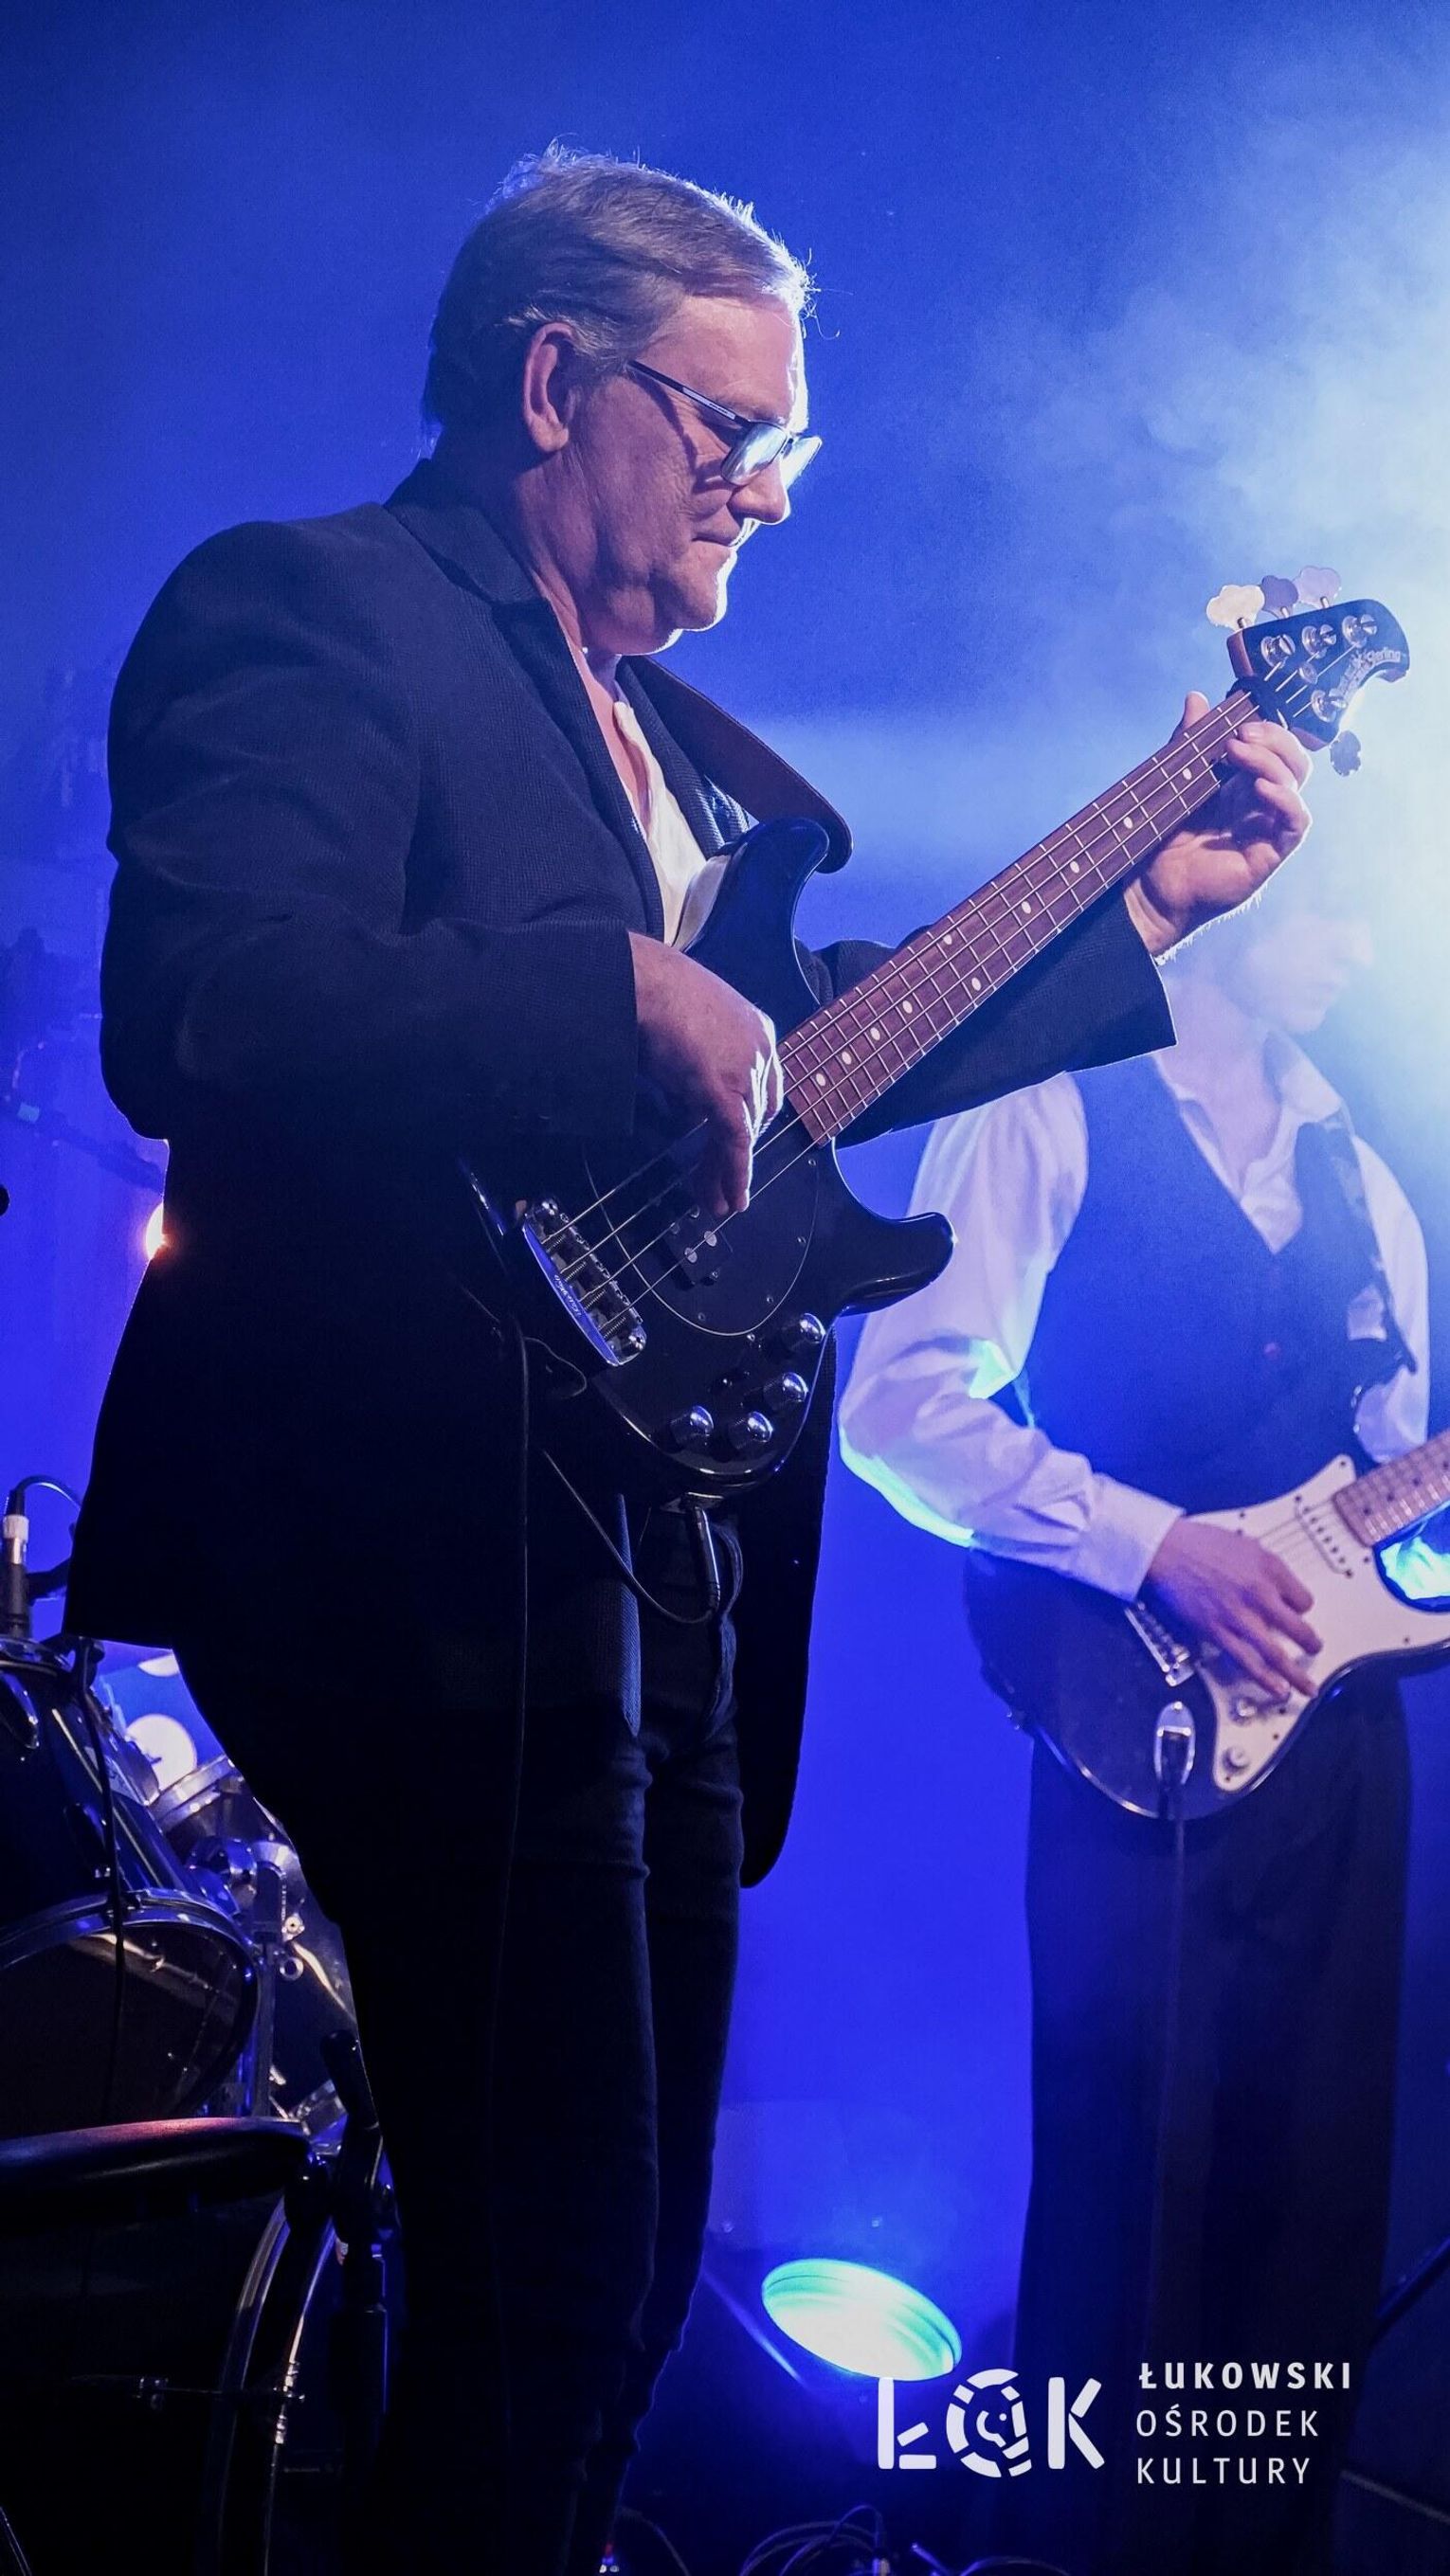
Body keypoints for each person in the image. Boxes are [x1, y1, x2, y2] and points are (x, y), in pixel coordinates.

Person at [67, 147, 1312, 2575]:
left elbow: (783, 1067)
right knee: (536, 2301)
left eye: (790, 445)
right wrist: (606, 990)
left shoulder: (671, 743)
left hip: (643, 1575)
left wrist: (1137, 910)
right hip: (422, 1559)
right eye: (735, 430)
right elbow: (203, 998)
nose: (773, 488)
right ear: (557, 383)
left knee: (617, 2307)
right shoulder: (315, 605)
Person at [840, 868, 1426, 2576]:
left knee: (1309, 2215)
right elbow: (899, 1409)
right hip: (1127, 1730)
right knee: (1127, 2193)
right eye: (1337, 909)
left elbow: (1393, 1497)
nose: (1363, 948)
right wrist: (1152, 1544)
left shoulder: (1365, 1174)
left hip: (1339, 1747)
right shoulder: (1047, 1101)